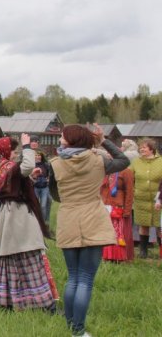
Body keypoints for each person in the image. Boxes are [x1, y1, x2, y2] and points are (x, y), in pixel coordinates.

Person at [50, 124, 130, 337]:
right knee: (85, 279)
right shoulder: (98, 160)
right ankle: (78, 331)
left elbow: (55, 195)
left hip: (68, 219)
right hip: (94, 219)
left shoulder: (55, 164)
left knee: (73, 278)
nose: (60, 139)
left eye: (63, 136)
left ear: (71, 140)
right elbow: (123, 160)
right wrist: (103, 140)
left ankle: (71, 327)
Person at [0, 134, 55, 312]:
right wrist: (27, 147)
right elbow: (27, 166)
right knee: (28, 253)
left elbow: (13, 185)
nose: (15, 154)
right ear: (5, 151)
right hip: (18, 215)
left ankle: (9, 300)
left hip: (6, 214)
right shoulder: (9, 167)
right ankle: (42, 302)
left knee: (10, 258)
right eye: (13, 150)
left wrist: (29, 178)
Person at [100, 142, 135, 263]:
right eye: (108, 154)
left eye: (112, 154)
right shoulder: (105, 170)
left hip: (118, 206)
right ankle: (106, 255)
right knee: (105, 231)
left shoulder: (126, 171)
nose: (109, 155)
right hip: (105, 205)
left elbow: (129, 192)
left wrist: (127, 210)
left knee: (117, 232)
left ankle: (118, 257)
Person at [128, 138, 162, 258]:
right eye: (140, 147)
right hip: (140, 199)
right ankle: (143, 251)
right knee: (143, 225)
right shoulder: (136, 162)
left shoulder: (160, 161)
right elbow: (129, 177)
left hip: (158, 199)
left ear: (151, 149)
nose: (141, 149)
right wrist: (133, 191)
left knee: (159, 226)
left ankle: (161, 251)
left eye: (144, 147)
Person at [33, 149, 51, 228]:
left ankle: (43, 223)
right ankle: (36, 221)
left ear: (41, 156)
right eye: (36, 155)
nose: (37, 157)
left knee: (43, 206)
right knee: (35, 205)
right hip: (35, 187)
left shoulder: (45, 165)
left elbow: (50, 174)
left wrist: (48, 179)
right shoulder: (32, 165)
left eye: (39, 155)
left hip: (44, 187)